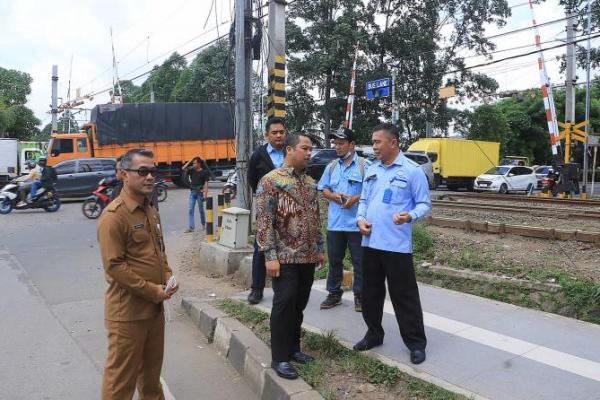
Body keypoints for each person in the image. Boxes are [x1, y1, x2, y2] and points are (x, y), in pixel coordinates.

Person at [97, 148, 178, 400]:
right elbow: (115, 267)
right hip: (128, 315)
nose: (150, 177)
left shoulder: (150, 208)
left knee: (151, 379)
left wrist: (167, 276)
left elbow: (159, 250)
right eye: (142, 171)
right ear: (123, 174)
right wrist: (153, 290)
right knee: (120, 384)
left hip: (154, 310)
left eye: (153, 171)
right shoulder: (113, 217)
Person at [354, 123, 431, 366]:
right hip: (370, 242)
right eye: (373, 142)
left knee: (404, 296)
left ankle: (416, 343)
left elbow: (424, 204)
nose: (374, 146)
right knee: (370, 294)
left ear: (393, 143)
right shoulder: (373, 169)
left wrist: (410, 216)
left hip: (396, 246)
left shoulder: (412, 171)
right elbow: (364, 200)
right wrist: (359, 219)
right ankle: (374, 333)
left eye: (378, 142)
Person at [256, 132, 325, 380]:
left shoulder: (309, 183)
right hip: (284, 257)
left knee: (299, 306)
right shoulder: (271, 181)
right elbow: (264, 221)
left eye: (310, 149)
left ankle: (294, 349)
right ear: (289, 150)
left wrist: (320, 248)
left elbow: (315, 218)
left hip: (307, 257)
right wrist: (269, 255)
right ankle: (280, 357)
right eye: (305, 148)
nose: (309, 153)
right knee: (284, 305)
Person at [317, 128, 366, 312]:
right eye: (335, 144)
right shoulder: (331, 167)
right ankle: (334, 293)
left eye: (341, 143)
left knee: (359, 262)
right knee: (335, 261)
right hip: (335, 224)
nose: (337, 147)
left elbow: (371, 191)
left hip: (356, 224)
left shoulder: (364, 165)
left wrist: (355, 198)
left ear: (351, 145)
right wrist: (334, 196)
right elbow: (324, 189)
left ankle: (360, 296)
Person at [246, 117, 286, 304]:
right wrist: (265, 200)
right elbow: (252, 180)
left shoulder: (291, 151)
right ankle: (257, 289)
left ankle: (283, 289)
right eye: (274, 132)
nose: (278, 135)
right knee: (261, 248)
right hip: (266, 211)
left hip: (289, 211)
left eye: (281, 132)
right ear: (267, 135)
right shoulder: (258, 155)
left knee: (287, 248)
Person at [182, 157, 210, 233]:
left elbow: (206, 184)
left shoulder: (204, 172)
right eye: (193, 163)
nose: (193, 164)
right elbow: (183, 168)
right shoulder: (191, 170)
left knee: (201, 210)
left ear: (199, 163)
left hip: (200, 193)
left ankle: (203, 225)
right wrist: (190, 160)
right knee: (190, 210)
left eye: (194, 163)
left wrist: (205, 195)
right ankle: (191, 227)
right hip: (192, 192)